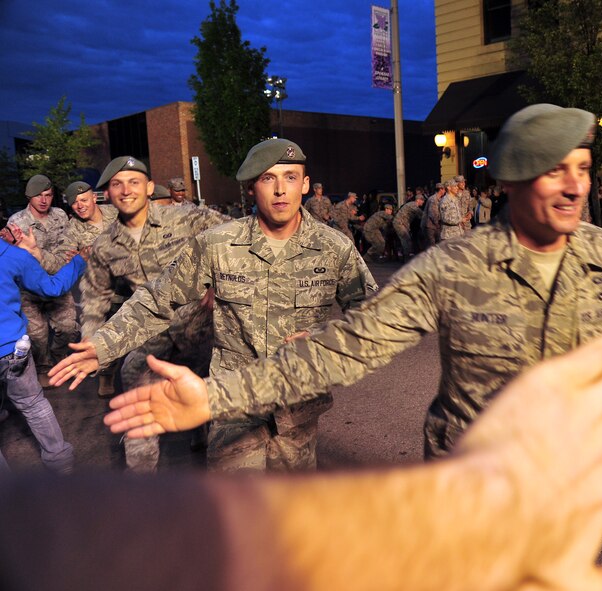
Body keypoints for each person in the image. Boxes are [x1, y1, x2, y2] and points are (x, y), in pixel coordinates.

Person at [104, 104, 602, 508]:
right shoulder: (454, 267)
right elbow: (353, 344)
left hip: (577, 484)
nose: (576, 186)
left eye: (582, 168)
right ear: (513, 181)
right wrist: (212, 397)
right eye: (555, 172)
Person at [2, 320, 602, 591]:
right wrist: (481, 507)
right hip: (244, 418)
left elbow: (357, 325)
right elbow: (45, 543)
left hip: (300, 422)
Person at [51, 140, 377, 473]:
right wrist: (102, 344)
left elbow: (373, 318)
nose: (280, 189)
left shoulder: (334, 247)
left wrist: (326, 337)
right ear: (252, 187)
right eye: (268, 179)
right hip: (232, 406)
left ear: (305, 184)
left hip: (297, 407)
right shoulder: (217, 244)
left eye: (290, 177)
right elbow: (156, 299)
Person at [61, 156, 228, 472]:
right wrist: (93, 345)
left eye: (134, 182)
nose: (126, 190)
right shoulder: (105, 245)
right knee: (136, 396)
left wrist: (215, 284)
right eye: (117, 184)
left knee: (209, 391)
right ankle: (141, 482)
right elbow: (95, 300)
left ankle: (201, 434)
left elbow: (231, 237)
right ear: (107, 194)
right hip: (146, 333)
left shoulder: (185, 218)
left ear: (149, 187)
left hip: (198, 328)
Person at [0, 222, 84, 474]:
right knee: (33, 403)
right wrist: (79, 261)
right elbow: (52, 288)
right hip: (13, 349)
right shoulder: (14, 256)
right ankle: (60, 461)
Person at [8, 174, 77, 387]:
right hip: (29, 289)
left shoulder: (60, 216)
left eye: (48, 195)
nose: (44, 200)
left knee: (68, 328)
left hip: (57, 284)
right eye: (39, 196)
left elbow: (67, 249)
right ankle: (44, 365)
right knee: (37, 335)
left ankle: (59, 355)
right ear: (29, 197)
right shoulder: (17, 222)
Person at [64, 180, 121, 397]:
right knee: (98, 334)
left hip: (129, 282)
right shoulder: (72, 229)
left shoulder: (116, 213)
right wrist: (77, 258)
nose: (80, 205)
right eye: (75, 203)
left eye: (83, 200)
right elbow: (65, 258)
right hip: (98, 289)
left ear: (94, 198)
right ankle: (106, 374)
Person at [392, 192, 424, 258]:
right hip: (399, 223)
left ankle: (404, 255)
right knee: (406, 239)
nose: (423, 202)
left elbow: (419, 216)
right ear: (418, 200)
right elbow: (421, 214)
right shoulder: (414, 205)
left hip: (401, 223)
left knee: (406, 239)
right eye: (422, 200)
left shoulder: (412, 205)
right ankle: (406, 257)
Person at [420, 182, 445, 247]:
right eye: (444, 189)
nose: (445, 191)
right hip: (431, 226)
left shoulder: (439, 198)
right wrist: (438, 224)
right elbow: (433, 214)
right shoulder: (433, 199)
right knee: (431, 247)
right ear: (440, 189)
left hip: (435, 226)